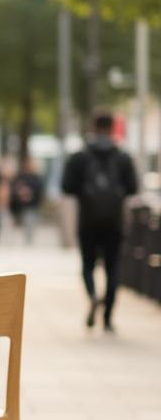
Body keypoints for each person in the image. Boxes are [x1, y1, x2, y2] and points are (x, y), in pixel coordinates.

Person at [61, 110, 138, 331]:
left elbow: (67, 187)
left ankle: (93, 295)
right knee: (113, 267)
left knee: (88, 264)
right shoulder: (122, 157)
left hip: (88, 219)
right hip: (114, 221)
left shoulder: (80, 156)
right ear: (112, 128)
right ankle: (108, 317)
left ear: (93, 127)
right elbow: (133, 188)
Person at [10, 157, 44, 245]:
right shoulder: (21, 177)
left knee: (32, 220)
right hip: (24, 204)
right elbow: (16, 187)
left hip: (34, 204)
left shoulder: (37, 177)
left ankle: (29, 238)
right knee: (26, 220)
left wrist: (31, 194)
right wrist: (22, 193)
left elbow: (40, 190)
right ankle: (27, 238)